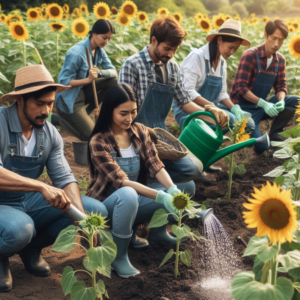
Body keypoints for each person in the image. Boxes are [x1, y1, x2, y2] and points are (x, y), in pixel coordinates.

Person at [0, 65, 108, 293]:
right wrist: (40, 186)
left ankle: (31, 249)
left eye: (50, 103)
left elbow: (64, 178)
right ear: (20, 100)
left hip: (26, 200)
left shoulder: (49, 133)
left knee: (92, 211)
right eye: (40, 103)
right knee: (20, 229)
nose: (47, 110)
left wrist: (82, 221)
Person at [87, 83, 196, 278]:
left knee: (186, 187)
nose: (129, 118)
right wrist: (160, 196)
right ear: (109, 111)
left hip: (134, 199)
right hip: (107, 208)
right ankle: (118, 256)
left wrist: (171, 190)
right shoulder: (99, 141)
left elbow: (155, 164)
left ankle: (154, 231)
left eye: (133, 112)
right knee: (128, 194)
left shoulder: (140, 132)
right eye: (123, 113)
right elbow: (123, 182)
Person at [119, 17, 229, 183]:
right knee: (182, 186)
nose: (170, 54)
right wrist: (141, 131)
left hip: (161, 136)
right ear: (154, 40)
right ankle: (148, 184)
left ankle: (154, 181)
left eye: (175, 50)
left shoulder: (172, 68)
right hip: (134, 135)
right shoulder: (132, 65)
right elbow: (122, 110)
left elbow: (184, 103)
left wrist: (210, 112)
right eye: (167, 48)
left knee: (192, 170)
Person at [172, 19, 255, 132]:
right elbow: (188, 91)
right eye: (230, 47)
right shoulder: (197, 57)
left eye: (236, 49)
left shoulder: (222, 62)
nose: (232, 52)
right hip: (188, 110)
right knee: (226, 123)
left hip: (208, 109)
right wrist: (213, 107)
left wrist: (234, 108)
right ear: (219, 40)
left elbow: (221, 93)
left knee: (243, 123)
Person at [230, 19, 297, 154]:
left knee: (296, 101)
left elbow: (281, 86)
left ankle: (274, 134)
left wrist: (281, 100)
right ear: (266, 35)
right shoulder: (250, 55)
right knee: (262, 147)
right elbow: (240, 87)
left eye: (281, 40)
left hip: (262, 106)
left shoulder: (280, 60)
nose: (277, 44)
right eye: (274, 38)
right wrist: (264, 103)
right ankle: (253, 135)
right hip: (244, 110)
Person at [54, 19, 118, 141]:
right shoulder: (77, 53)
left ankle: (87, 112)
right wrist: (88, 80)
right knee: (93, 137)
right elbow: (63, 83)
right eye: (104, 38)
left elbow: (114, 72)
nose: (107, 42)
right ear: (94, 33)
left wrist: (99, 72)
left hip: (83, 92)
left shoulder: (99, 50)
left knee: (113, 82)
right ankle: (60, 120)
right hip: (70, 99)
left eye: (109, 39)